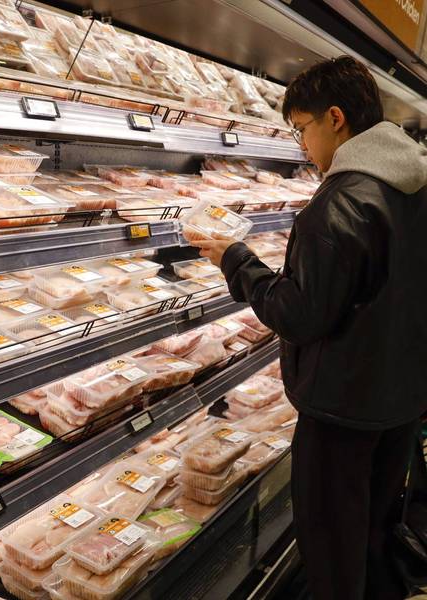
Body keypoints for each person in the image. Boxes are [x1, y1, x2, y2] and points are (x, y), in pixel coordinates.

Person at [184, 55, 427, 600]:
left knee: (334, 549)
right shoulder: (416, 182)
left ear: (335, 118)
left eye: (302, 130)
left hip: (343, 409)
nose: (302, 147)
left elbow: (296, 313)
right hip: (400, 400)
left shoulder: (341, 202)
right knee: (374, 531)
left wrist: (235, 259)